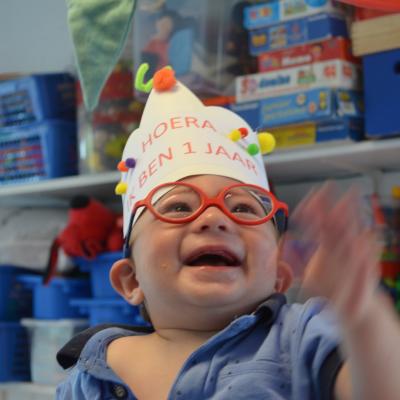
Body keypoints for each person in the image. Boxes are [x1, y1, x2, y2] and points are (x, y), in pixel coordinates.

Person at [56, 67, 400, 400]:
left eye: (243, 208)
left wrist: (363, 317)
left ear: (279, 275)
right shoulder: (89, 376)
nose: (214, 218)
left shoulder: (303, 336)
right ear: (131, 280)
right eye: (178, 207)